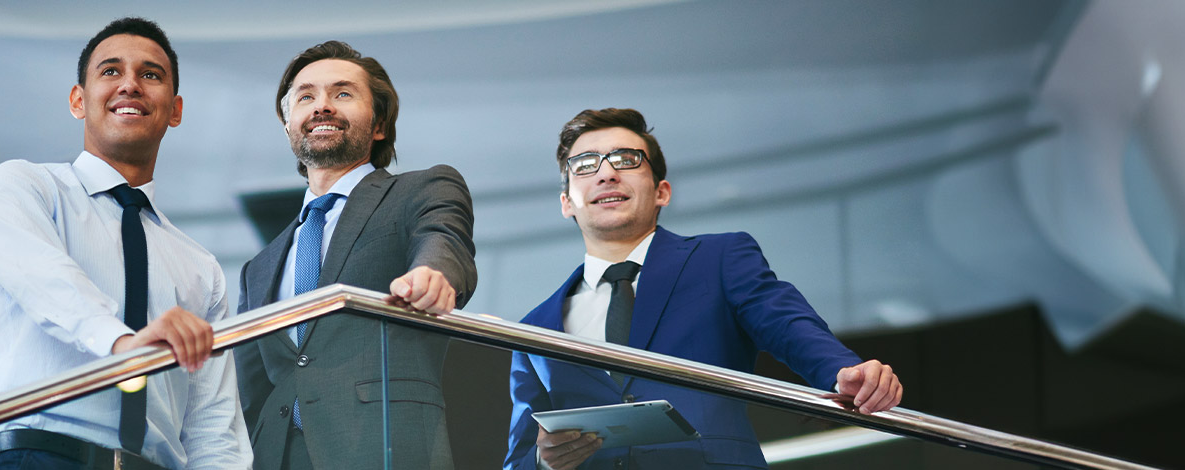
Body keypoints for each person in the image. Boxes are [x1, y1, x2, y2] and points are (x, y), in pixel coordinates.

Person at [505, 108, 904, 469]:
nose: (607, 173)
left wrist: (841, 372)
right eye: (586, 164)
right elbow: (519, 458)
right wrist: (543, 461)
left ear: (662, 191)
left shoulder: (719, 258)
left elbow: (787, 323)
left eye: (626, 160)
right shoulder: (534, 329)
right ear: (566, 203)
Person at [0, 17, 249, 470]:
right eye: (111, 71)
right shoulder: (21, 186)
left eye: (150, 75)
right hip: (39, 457)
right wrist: (122, 344)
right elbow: (43, 280)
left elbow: (212, 423)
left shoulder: (200, 266)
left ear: (175, 111)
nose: (131, 85)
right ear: (79, 100)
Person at [236, 40, 476, 470]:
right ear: (288, 125)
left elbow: (443, 239)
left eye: (342, 94)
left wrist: (433, 275)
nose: (322, 106)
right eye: (306, 97)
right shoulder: (259, 267)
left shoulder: (421, 190)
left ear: (379, 124)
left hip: (384, 448)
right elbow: (248, 393)